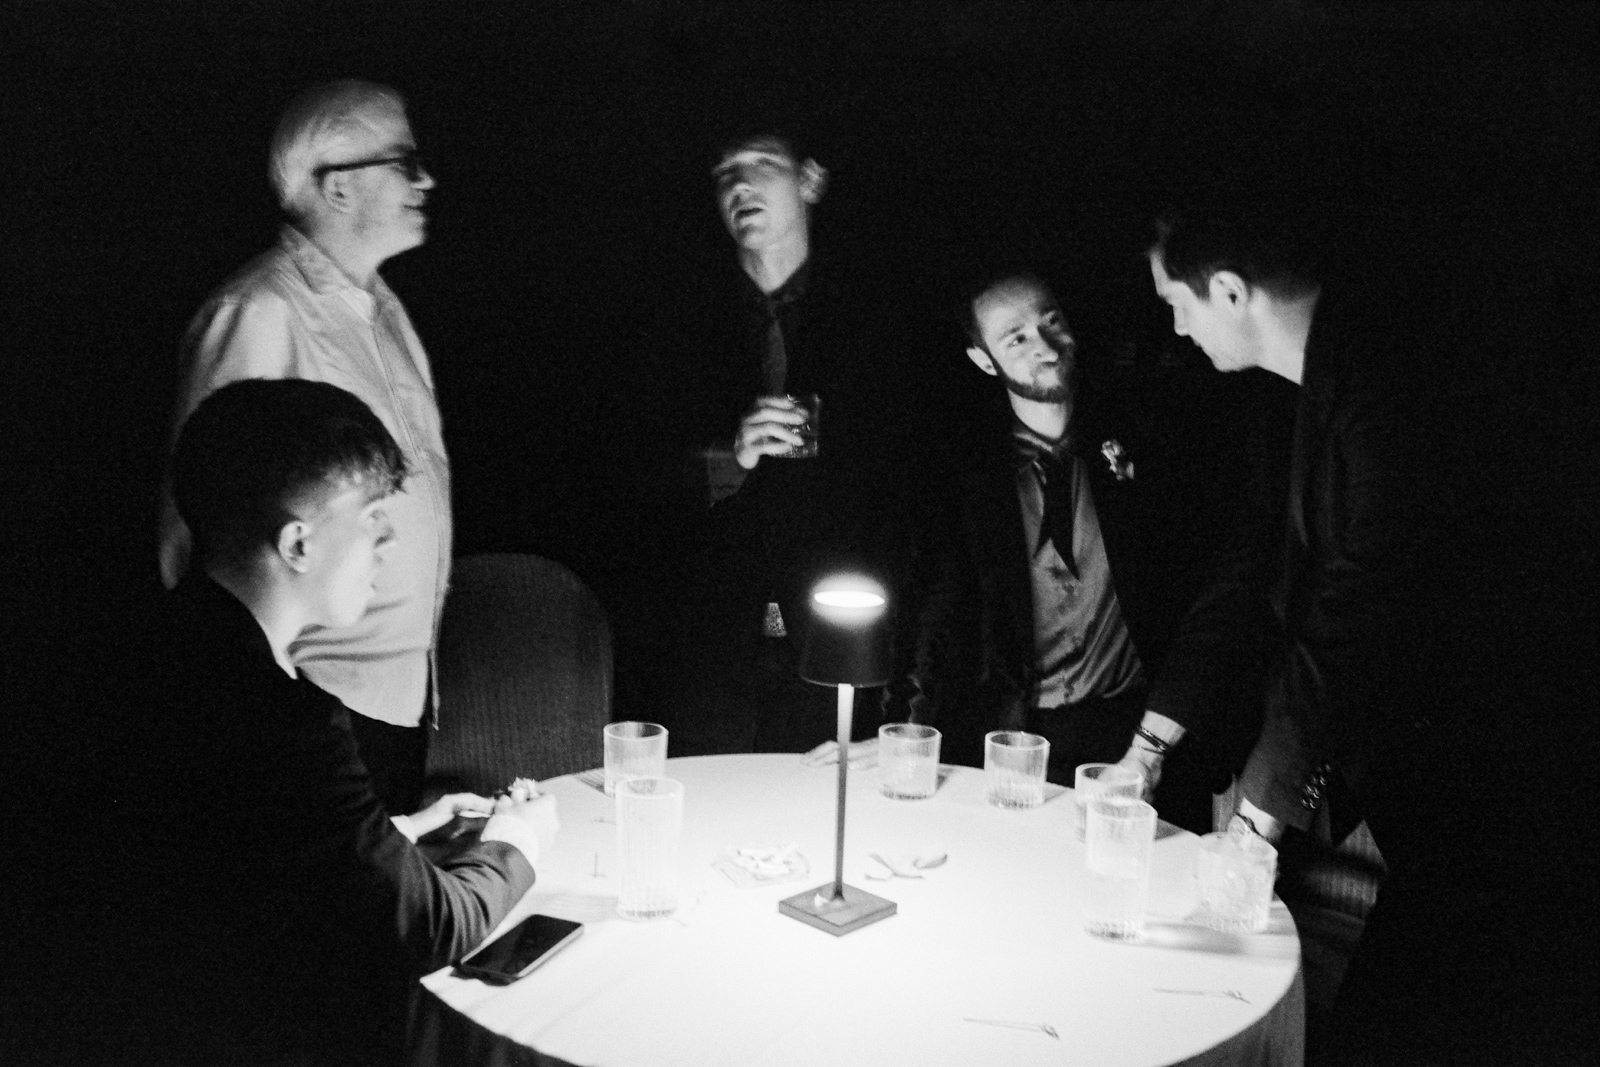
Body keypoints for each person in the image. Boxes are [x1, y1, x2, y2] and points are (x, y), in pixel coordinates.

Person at [1123, 205, 1589, 1063]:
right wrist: (1150, 745)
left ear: (1230, 291)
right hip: (1378, 756)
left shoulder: (1392, 385)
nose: (1177, 329)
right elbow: (1246, 570)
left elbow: (1354, 610)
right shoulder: (1287, 389)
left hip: (1480, 763)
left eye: (1177, 304)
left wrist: (1253, 823)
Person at [106, 379, 558, 1066]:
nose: (389, 538)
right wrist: (517, 841)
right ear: (298, 543)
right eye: (372, 515)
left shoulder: (162, 650)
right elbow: (431, 926)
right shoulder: (281, 719)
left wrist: (400, 833)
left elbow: (265, 864)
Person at [158, 79, 448, 814]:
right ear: (339, 186)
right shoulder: (259, 310)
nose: (426, 181)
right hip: (313, 701)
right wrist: (262, 703)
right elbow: (198, 527)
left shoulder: (385, 310)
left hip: (391, 698)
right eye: (406, 162)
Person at [879, 270, 1237, 833]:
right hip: (1015, 742)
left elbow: (1201, 592)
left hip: (1135, 733)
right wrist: (899, 737)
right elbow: (933, 621)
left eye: (1051, 322)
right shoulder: (966, 479)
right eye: (1016, 337)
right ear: (983, 360)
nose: (1044, 346)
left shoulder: (1143, 442)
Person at [666, 128, 921, 755]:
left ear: (809, 180)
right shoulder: (685, 319)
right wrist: (732, 458)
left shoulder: (876, 316)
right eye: (725, 172)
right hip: (713, 647)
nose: (740, 184)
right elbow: (626, 475)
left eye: (762, 163)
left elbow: (911, 484)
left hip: (844, 638)